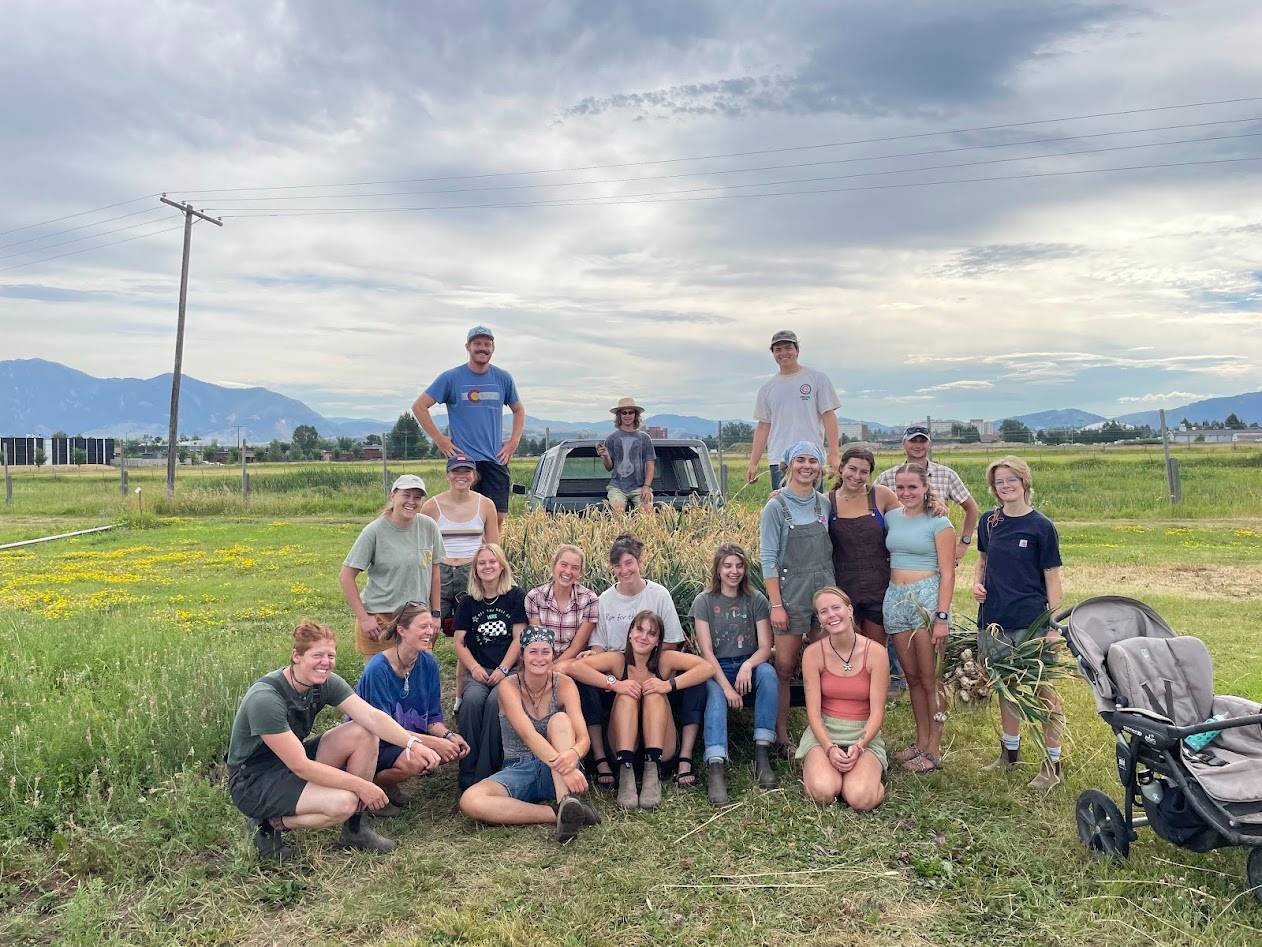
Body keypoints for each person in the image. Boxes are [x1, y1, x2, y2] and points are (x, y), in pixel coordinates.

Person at [226, 620, 442, 861]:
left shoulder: (324, 683)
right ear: (296, 656)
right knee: (344, 802)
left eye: (331, 655)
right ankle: (268, 824)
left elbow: (371, 716)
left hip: (288, 761)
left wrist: (412, 743)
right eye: (317, 655)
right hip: (253, 779)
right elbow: (302, 766)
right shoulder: (266, 699)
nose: (326, 662)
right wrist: (362, 786)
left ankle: (355, 830)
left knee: (363, 731)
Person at [972, 455, 1066, 791]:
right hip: (994, 620)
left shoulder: (1041, 526)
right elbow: (983, 560)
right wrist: (977, 582)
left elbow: (1052, 577)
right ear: (993, 488)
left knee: (1043, 691)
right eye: (999, 481)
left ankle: (1052, 764)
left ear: (1024, 482)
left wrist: (1054, 626)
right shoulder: (989, 522)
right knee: (1006, 687)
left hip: (1031, 621)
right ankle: (1009, 755)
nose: (1006, 485)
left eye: (1012, 479)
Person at [459, 626, 601, 842]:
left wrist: (572, 756)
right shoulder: (509, 686)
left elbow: (583, 738)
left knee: (560, 720)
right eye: (533, 651)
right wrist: (564, 766)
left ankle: (566, 799)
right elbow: (527, 734)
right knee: (471, 800)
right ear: (523, 655)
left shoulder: (564, 684)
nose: (539, 658)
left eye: (546, 651)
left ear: (553, 654)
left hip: (560, 774)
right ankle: (559, 813)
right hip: (519, 766)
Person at [561, 611, 714, 810]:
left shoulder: (665, 660)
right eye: (639, 630)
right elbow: (576, 667)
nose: (644, 637)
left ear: (658, 642)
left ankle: (652, 774)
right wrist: (614, 683)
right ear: (630, 633)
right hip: (623, 751)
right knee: (626, 694)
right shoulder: (618, 660)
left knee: (654, 693)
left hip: (661, 751)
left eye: (651, 634)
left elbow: (707, 668)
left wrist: (668, 685)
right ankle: (626, 777)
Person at [585, 534, 703, 791]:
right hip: (617, 677)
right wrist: (613, 680)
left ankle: (674, 761)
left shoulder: (658, 594)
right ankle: (605, 761)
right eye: (617, 565)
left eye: (629, 563)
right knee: (591, 687)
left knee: (676, 689)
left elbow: (671, 642)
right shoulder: (604, 600)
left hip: (654, 677)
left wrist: (663, 678)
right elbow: (597, 647)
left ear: (640, 562)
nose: (624, 570)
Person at [353, 603, 470, 813]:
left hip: (407, 738)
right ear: (402, 630)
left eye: (431, 626)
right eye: (423, 627)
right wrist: (433, 742)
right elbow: (381, 730)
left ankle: (388, 784)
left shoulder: (428, 663)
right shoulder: (378, 669)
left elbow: (432, 718)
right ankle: (374, 788)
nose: (430, 631)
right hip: (373, 742)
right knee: (416, 761)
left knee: (447, 750)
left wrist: (449, 736)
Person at [759, 440, 837, 754]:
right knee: (784, 666)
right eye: (800, 460)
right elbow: (768, 559)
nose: (807, 466)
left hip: (824, 593)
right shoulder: (775, 506)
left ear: (820, 467)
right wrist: (776, 604)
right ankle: (781, 736)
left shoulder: (825, 504)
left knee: (822, 666)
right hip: (790, 595)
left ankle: (822, 730)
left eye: (813, 461)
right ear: (788, 465)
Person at [689, 543, 779, 805]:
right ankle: (716, 764)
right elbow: (706, 652)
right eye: (728, 566)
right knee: (715, 696)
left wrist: (748, 665)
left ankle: (762, 752)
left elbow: (765, 648)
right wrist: (727, 688)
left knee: (769, 675)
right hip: (715, 668)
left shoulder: (756, 600)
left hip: (746, 664)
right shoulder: (704, 601)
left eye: (739, 566)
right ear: (718, 570)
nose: (734, 571)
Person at [412, 325, 526, 529]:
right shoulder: (451, 378)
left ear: (493, 348)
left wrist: (513, 442)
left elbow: (519, 410)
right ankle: (463, 558)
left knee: (496, 517)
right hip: (464, 460)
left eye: (487, 344)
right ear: (468, 346)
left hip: (494, 458)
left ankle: (489, 559)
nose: (482, 348)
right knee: (464, 516)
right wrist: (439, 438)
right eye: (477, 344)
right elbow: (419, 406)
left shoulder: (503, 378)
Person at [883, 463, 956, 774]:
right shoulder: (891, 518)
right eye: (900, 487)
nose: (906, 493)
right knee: (911, 678)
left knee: (930, 679)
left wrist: (941, 616)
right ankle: (921, 740)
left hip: (926, 599)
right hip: (895, 598)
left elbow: (949, 572)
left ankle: (934, 748)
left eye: (912, 487)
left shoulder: (939, 522)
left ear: (925, 487)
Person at [420, 452, 500, 709]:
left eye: (466, 471)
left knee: (467, 636)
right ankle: (425, 694)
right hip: (440, 572)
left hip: (471, 572)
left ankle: (459, 697)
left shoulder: (485, 504)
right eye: (456, 471)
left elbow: (494, 546)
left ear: (474, 475)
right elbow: (423, 547)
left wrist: (492, 576)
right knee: (427, 631)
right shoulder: (432, 506)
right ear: (448, 475)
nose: (461, 476)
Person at [798, 587, 889, 811]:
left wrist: (860, 746)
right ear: (819, 619)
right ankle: (821, 767)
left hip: (863, 733)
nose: (831, 615)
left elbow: (877, 712)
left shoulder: (876, 653)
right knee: (823, 792)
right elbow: (813, 712)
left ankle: (863, 776)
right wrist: (829, 748)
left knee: (860, 798)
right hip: (825, 732)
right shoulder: (812, 654)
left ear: (849, 610)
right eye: (823, 611)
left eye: (836, 607)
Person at [340, 474, 445, 656]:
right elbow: (346, 576)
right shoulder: (374, 531)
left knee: (418, 676)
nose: (411, 501)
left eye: (417, 497)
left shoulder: (429, 527)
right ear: (393, 496)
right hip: (381, 619)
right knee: (382, 679)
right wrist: (364, 618)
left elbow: (435, 573)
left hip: (417, 617)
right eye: (406, 495)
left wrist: (435, 614)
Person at [453, 542, 527, 789]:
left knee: (497, 702)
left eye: (492, 561)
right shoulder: (467, 602)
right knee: (472, 703)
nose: (487, 567)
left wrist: (504, 669)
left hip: (508, 671)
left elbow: (519, 638)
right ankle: (467, 772)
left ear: (501, 565)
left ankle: (485, 776)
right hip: (478, 671)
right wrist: (473, 668)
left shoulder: (515, 596)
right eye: (482, 563)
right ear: (475, 569)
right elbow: (460, 643)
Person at [746, 330, 841, 489]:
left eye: (788, 348)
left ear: (797, 350)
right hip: (780, 460)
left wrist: (834, 454)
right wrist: (753, 463)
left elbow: (829, 415)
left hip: (811, 458)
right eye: (778, 349)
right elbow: (763, 426)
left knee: (813, 507)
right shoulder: (767, 389)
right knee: (783, 508)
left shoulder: (817, 379)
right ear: (773, 354)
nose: (783, 353)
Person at [876, 425, 979, 565]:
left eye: (922, 441)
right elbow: (871, 510)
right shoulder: (887, 477)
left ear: (929, 444)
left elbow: (972, 508)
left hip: (935, 556)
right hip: (898, 556)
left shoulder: (946, 474)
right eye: (913, 441)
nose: (918, 445)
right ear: (903, 443)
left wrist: (963, 544)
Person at [525, 544, 600, 662]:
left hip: (573, 663)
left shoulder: (590, 599)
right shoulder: (534, 597)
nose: (568, 571)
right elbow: (539, 640)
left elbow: (577, 646)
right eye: (563, 565)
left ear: (580, 572)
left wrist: (555, 666)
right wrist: (547, 665)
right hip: (543, 660)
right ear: (554, 565)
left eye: (575, 568)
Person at [597, 396, 657, 514]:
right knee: (618, 512)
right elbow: (609, 467)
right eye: (624, 413)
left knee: (648, 513)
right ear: (619, 415)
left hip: (639, 487)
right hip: (617, 487)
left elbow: (650, 464)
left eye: (631, 412)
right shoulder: (611, 438)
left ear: (636, 415)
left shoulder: (644, 438)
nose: (627, 415)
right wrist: (605, 456)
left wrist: (646, 486)